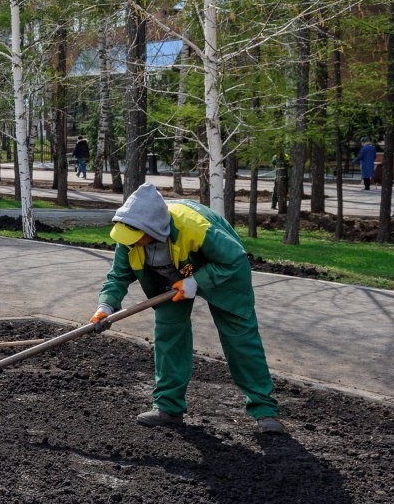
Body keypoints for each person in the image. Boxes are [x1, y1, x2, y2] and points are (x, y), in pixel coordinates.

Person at [89, 183, 286, 435]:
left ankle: (264, 409)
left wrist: (196, 281)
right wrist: (105, 307)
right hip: (169, 277)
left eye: (138, 238)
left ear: (154, 228)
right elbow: (117, 277)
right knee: (168, 335)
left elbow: (234, 259)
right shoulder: (129, 236)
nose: (133, 244)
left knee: (239, 336)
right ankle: (168, 407)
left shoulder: (196, 228)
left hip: (221, 269)